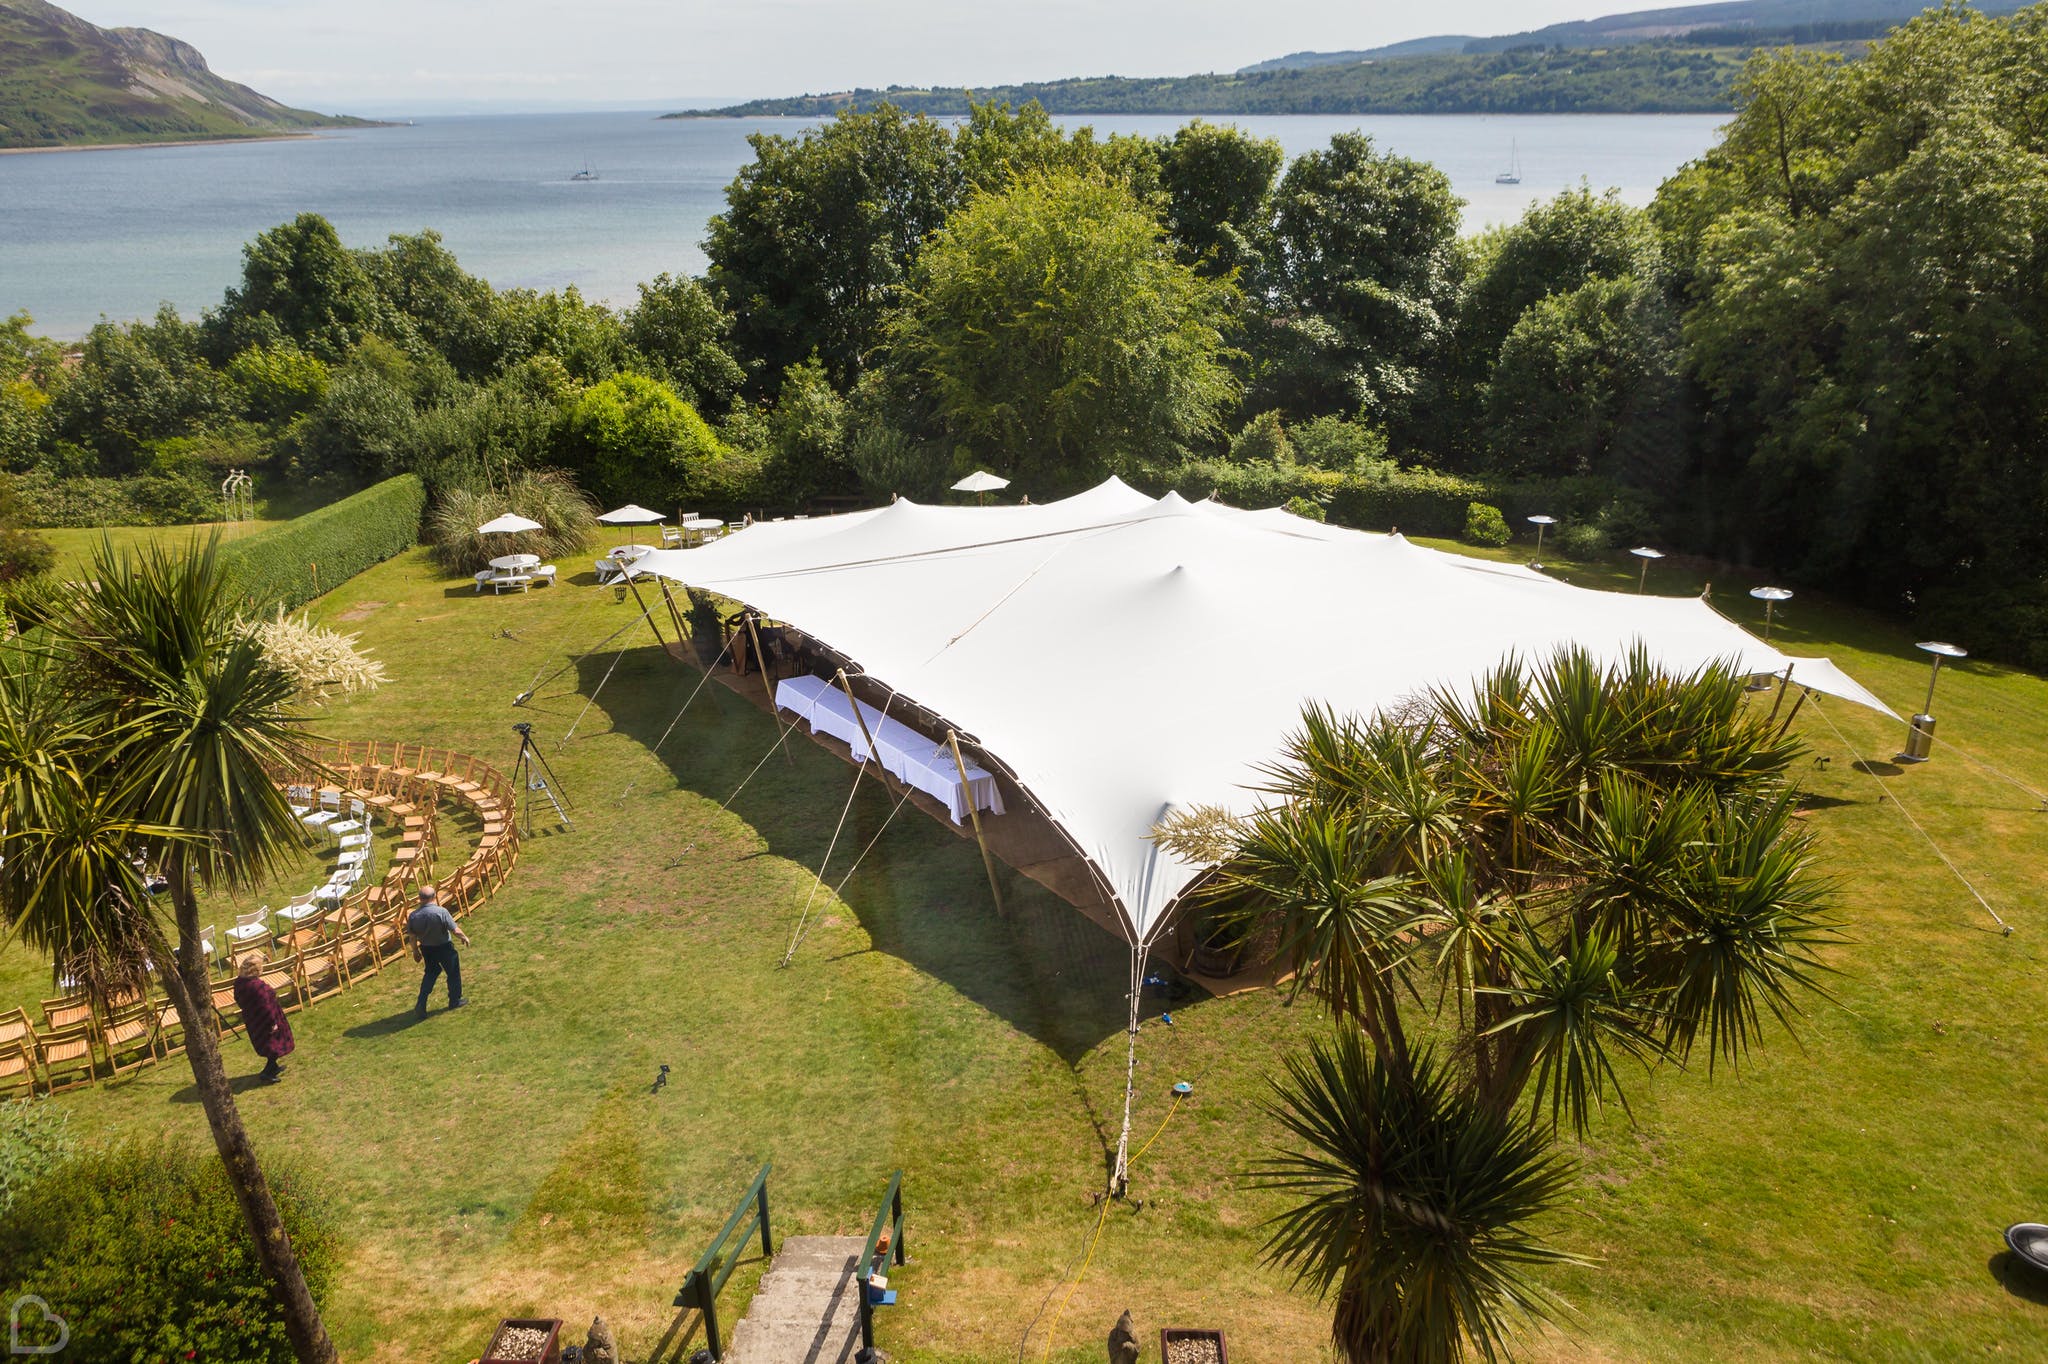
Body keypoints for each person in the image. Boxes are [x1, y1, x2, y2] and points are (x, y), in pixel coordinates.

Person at [408, 884, 471, 1018]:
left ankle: (421, 1003)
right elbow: (454, 929)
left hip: (427, 949)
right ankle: (454, 1001)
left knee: (430, 974)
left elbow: (412, 937)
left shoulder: (413, 916)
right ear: (434, 897)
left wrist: (415, 951)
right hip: (444, 947)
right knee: (453, 973)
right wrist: (464, 937)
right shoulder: (441, 912)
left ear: (419, 898)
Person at [231, 954, 295, 1083]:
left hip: (253, 1020)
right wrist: (273, 1023)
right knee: (273, 1046)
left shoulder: (240, 982)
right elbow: (266, 1006)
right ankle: (267, 1073)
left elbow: (238, 999)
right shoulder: (256, 986)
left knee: (269, 1045)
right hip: (265, 1020)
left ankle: (274, 1067)